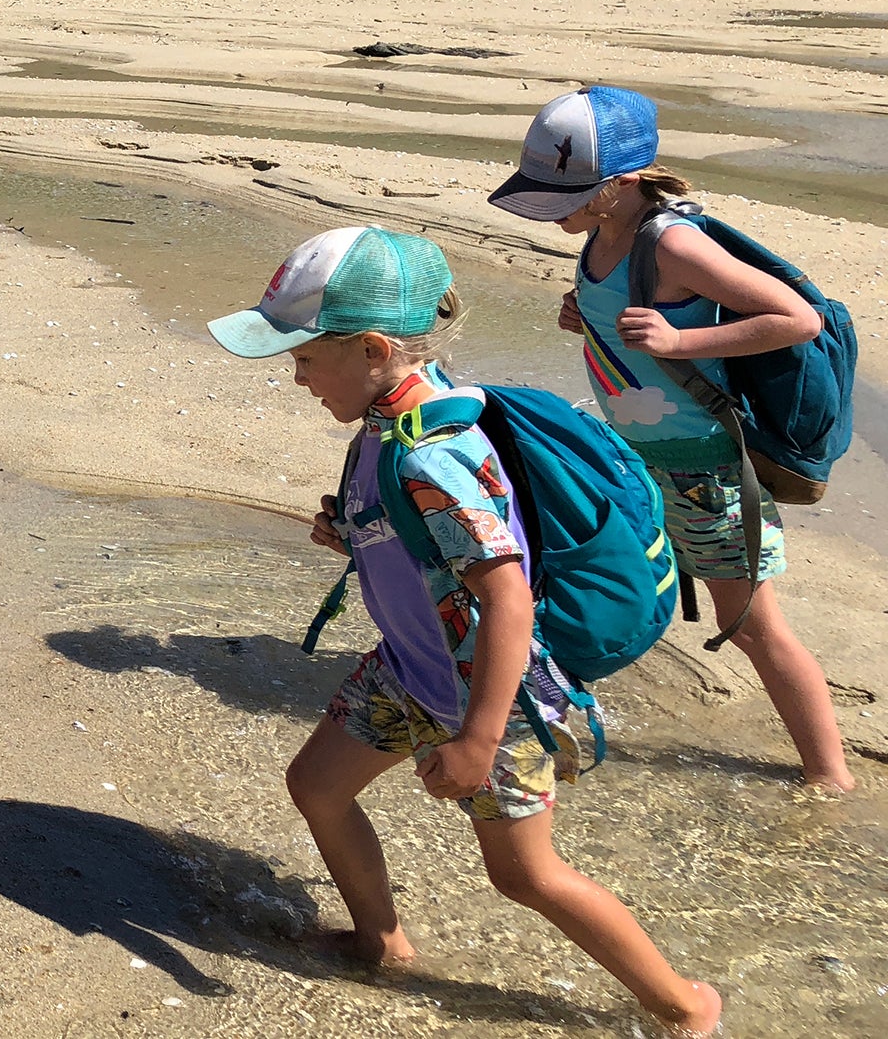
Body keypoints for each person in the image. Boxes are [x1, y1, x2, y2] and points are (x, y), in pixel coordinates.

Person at [209, 227, 721, 1035]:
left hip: (492, 695)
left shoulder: (433, 455)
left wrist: (480, 740)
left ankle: (685, 1005)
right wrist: (356, 532)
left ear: (374, 349)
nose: (297, 377)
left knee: (526, 877)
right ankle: (382, 943)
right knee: (317, 786)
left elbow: (507, 598)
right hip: (409, 668)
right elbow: (431, 544)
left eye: (305, 358)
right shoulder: (392, 419)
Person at [489, 86, 854, 790]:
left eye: (564, 195)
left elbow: (797, 320)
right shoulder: (602, 235)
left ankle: (829, 776)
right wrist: (587, 314)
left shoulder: (674, 243)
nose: (552, 210)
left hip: (706, 469)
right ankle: (538, 706)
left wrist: (681, 340)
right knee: (588, 576)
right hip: (637, 458)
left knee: (753, 626)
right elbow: (628, 319)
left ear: (622, 183)